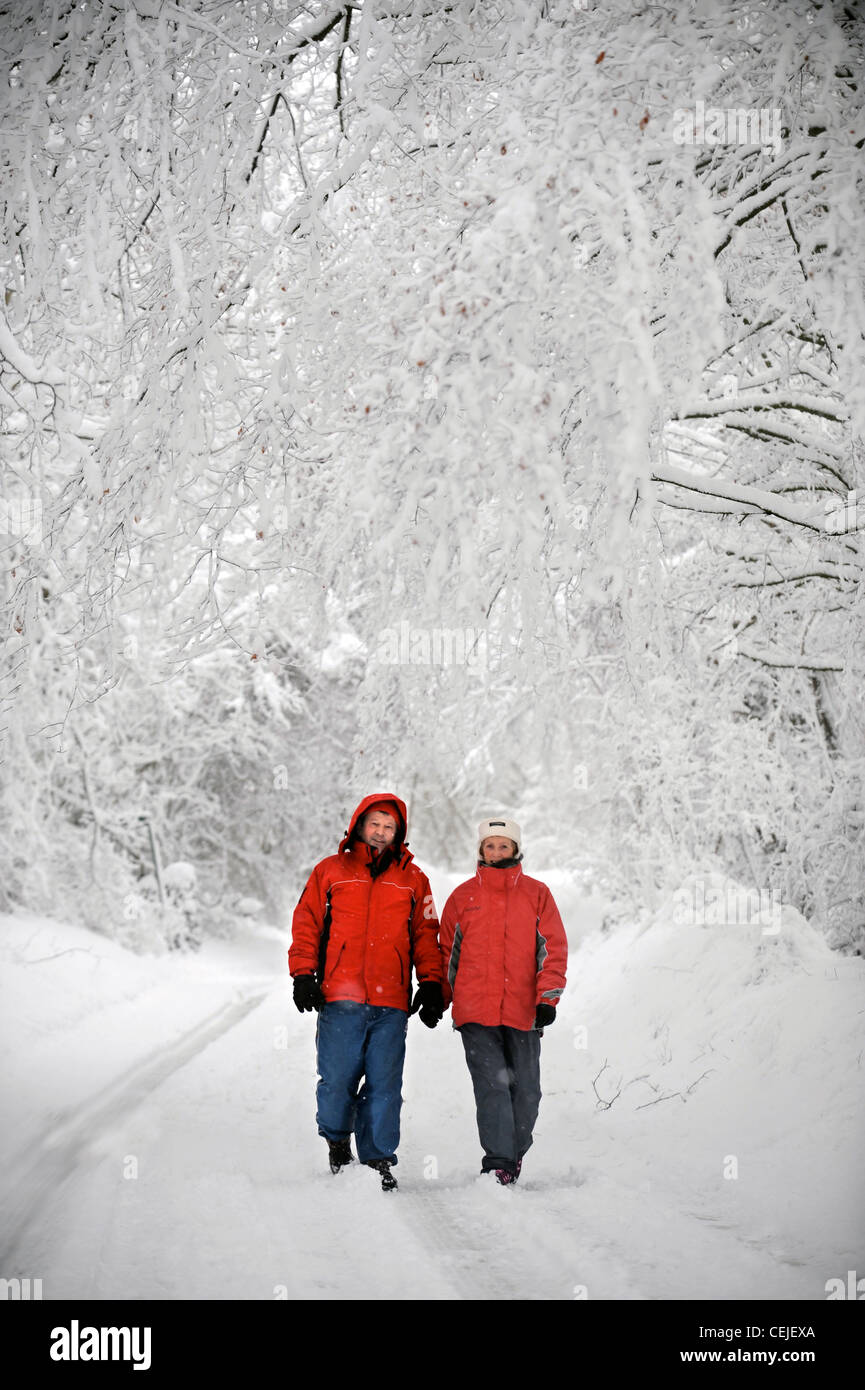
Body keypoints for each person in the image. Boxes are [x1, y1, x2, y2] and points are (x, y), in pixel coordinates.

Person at [288, 793, 444, 1191]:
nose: (380, 832)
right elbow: (308, 923)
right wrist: (303, 974)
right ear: (359, 824)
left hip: (391, 1002)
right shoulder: (330, 871)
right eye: (374, 823)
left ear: (399, 833)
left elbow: (426, 935)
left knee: (385, 1084)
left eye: (389, 826)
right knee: (337, 1079)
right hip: (340, 998)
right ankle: (338, 1143)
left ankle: (377, 1160)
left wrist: (430, 983)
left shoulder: (414, 879)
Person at [439, 817, 568, 1186]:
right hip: (475, 1012)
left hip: (524, 1010)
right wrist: (439, 998)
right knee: (492, 1088)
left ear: (516, 850)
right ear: (481, 850)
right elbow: (448, 955)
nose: (496, 852)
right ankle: (498, 1162)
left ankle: (513, 1154)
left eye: (504, 846)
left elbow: (553, 949)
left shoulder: (537, 893)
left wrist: (548, 997)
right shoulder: (463, 897)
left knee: (526, 1090)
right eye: (490, 846)